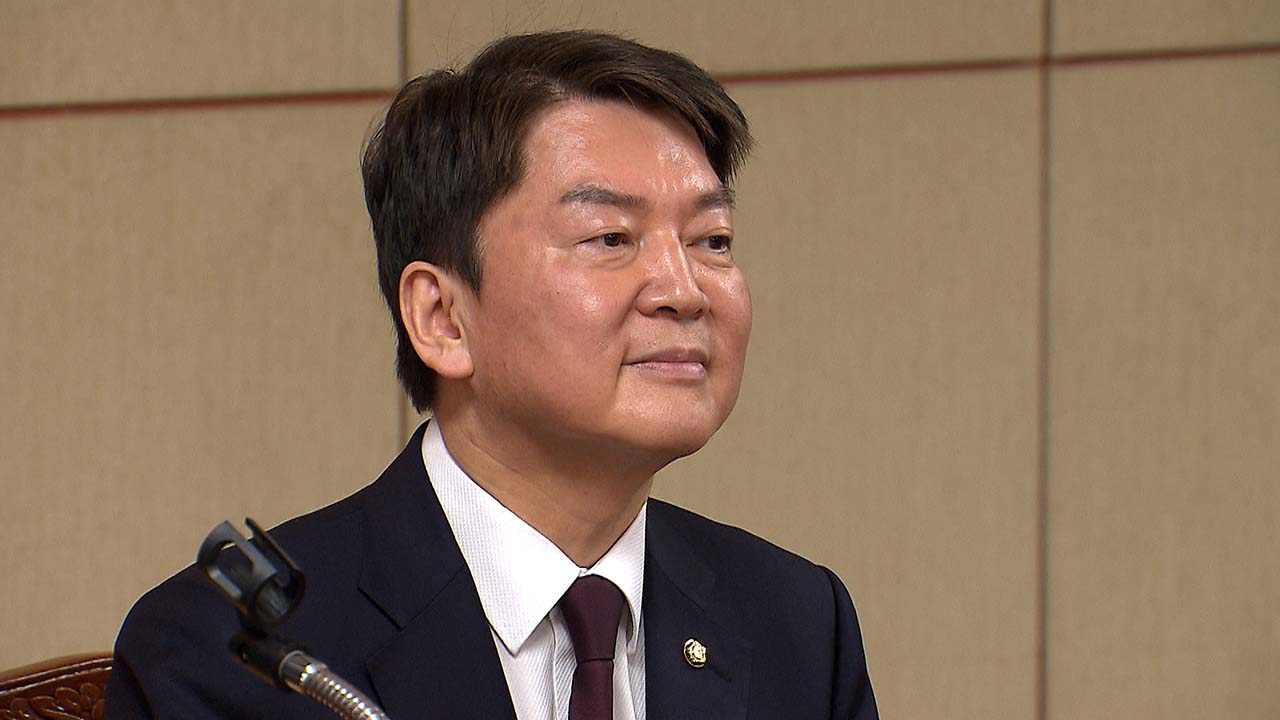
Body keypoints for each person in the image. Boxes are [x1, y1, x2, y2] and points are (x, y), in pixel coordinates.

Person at [105, 30, 877, 719]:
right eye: (610, 237)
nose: (684, 290)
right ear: (442, 318)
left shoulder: (796, 623)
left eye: (712, 240)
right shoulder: (238, 653)